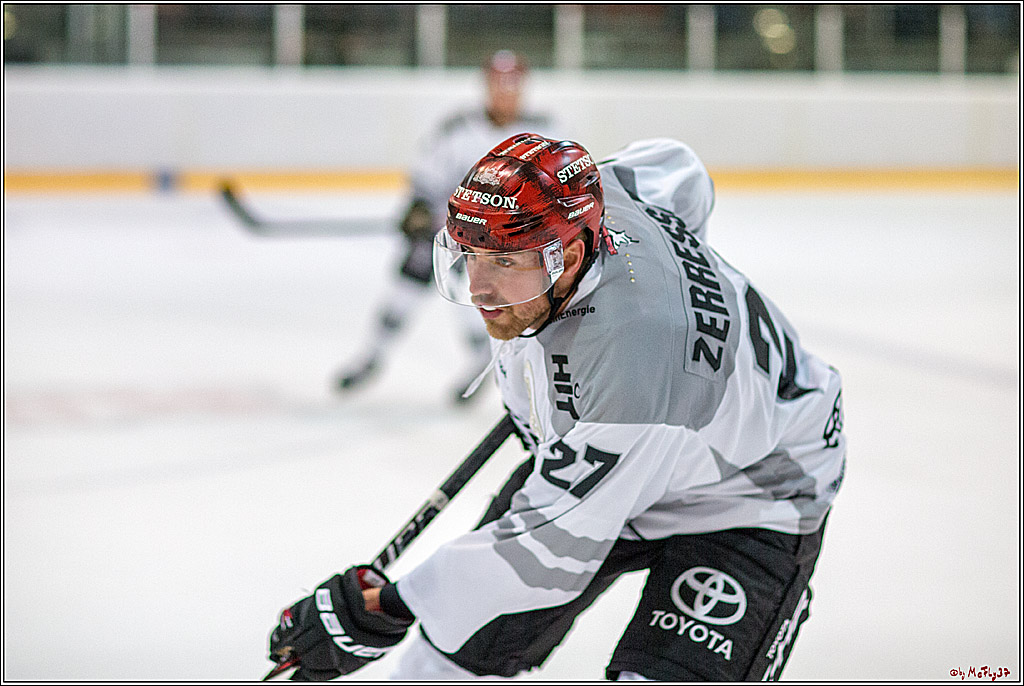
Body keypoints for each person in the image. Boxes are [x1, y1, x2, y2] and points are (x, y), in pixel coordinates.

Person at [269, 133, 847, 681]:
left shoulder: (634, 364)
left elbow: (548, 553)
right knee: (442, 663)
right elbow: (679, 168)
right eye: (471, 256)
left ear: (568, 258)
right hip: (635, 442)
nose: (478, 289)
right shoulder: (602, 195)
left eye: (504, 262)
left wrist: (385, 607)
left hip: (751, 493)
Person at [334, 50, 566, 404]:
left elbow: (564, 187)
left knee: (479, 297)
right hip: (452, 234)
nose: (505, 92)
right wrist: (418, 209)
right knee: (409, 284)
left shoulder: (545, 133)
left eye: (512, 84)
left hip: (510, 244)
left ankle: (484, 360)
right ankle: (372, 353)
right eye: (498, 83)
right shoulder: (458, 129)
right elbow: (427, 179)